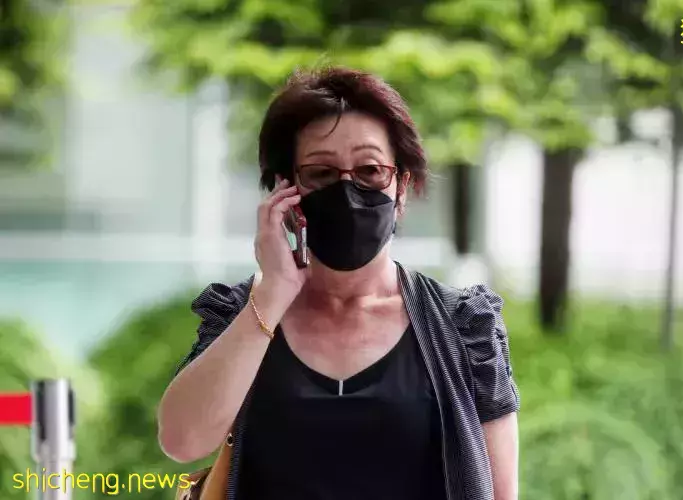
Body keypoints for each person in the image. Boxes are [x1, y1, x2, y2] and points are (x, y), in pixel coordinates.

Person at [157, 67, 520, 500]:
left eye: (370, 170)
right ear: (285, 190)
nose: (347, 189)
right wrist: (272, 294)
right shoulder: (244, 314)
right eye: (322, 172)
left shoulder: (463, 327)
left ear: (401, 188)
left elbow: (501, 492)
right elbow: (182, 441)